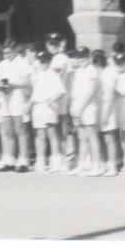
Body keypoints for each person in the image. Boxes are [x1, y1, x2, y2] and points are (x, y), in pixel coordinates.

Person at [0, 40, 32, 172]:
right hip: (5, 99)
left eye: (9, 52)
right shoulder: (1, 65)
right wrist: (1, 88)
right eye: (4, 53)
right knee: (8, 130)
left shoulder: (22, 63)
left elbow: (28, 83)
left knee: (20, 129)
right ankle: (9, 159)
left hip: (18, 98)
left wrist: (13, 85)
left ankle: (23, 160)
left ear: (15, 51)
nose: (6, 55)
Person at [69, 47, 103, 175]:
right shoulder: (78, 71)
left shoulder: (91, 70)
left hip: (88, 107)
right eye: (79, 57)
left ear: (89, 57)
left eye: (84, 56)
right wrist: (74, 108)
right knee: (81, 137)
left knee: (92, 136)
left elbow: (90, 92)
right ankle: (81, 164)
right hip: (78, 107)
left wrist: (79, 108)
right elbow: (75, 92)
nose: (81, 59)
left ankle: (96, 166)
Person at [30, 50, 65, 172]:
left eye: (45, 61)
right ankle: (41, 160)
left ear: (49, 62)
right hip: (37, 106)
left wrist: (51, 101)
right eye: (40, 61)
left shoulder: (53, 74)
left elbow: (61, 91)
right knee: (39, 135)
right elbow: (35, 93)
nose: (42, 63)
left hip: (48, 106)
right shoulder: (38, 74)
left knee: (52, 134)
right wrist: (29, 105)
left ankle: (56, 160)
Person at [44, 32, 73, 171]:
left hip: (58, 96)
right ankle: (60, 159)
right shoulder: (60, 58)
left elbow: (56, 78)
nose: (51, 46)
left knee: (57, 129)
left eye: (54, 43)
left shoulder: (59, 59)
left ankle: (61, 159)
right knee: (58, 129)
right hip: (59, 96)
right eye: (51, 43)